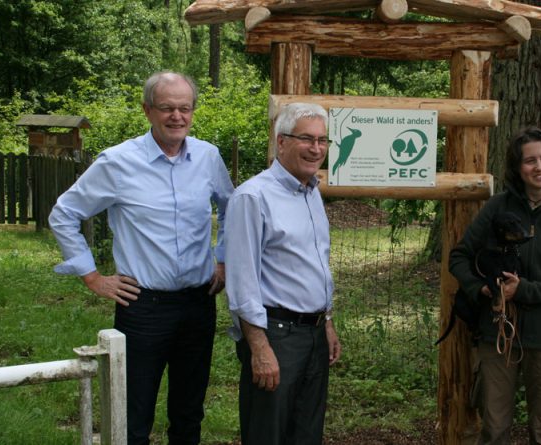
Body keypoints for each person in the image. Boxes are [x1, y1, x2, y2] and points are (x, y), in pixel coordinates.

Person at [49, 71, 234, 445]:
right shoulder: (118, 162)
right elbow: (64, 214)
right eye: (167, 108)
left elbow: (231, 207)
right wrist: (92, 276)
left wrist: (223, 259)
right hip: (142, 307)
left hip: (199, 303)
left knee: (189, 410)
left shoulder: (208, 157)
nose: (177, 116)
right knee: (133, 413)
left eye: (185, 108)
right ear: (147, 110)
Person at [449, 126, 541, 445]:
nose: (539, 167)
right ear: (517, 167)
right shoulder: (499, 206)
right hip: (497, 329)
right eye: (530, 161)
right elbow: (459, 256)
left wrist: (524, 290)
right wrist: (482, 289)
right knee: (495, 427)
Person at [224, 102, 342, 445]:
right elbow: (242, 282)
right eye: (306, 139)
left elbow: (314, 263)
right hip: (275, 336)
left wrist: (328, 321)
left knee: (306, 433)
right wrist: (259, 348)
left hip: (314, 335)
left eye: (322, 140)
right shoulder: (252, 197)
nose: (316, 148)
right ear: (281, 142)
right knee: (268, 434)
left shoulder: (311, 192)